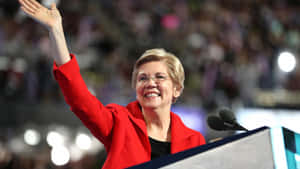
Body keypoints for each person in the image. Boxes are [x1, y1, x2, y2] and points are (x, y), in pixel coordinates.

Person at [18, 0, 206, 169]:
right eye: (143, 78)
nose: (150, 83)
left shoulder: (194, 141)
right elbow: (79, 98)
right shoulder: (120, 122)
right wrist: (56, 31)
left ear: (177, 89)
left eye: (160, 77)